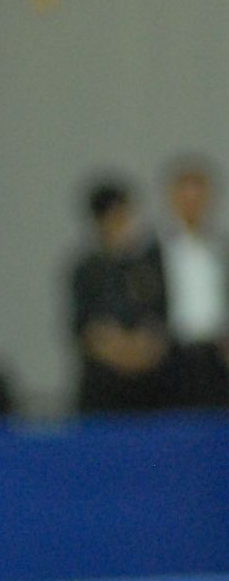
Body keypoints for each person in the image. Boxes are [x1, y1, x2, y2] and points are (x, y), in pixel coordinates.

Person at [68, 175, 171, 413]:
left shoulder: (150, 264)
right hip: (103, 382)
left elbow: (160, 318)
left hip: (149, 381)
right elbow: (83, 326)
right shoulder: (86, 270)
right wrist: (118, 350)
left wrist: (143, 348)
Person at [155, 154, 229, 407]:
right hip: (171, 354)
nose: (191, 204)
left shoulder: (220, 249)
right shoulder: (155, 251)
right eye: (185, 197)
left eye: (198, 197)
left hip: (217, 354)